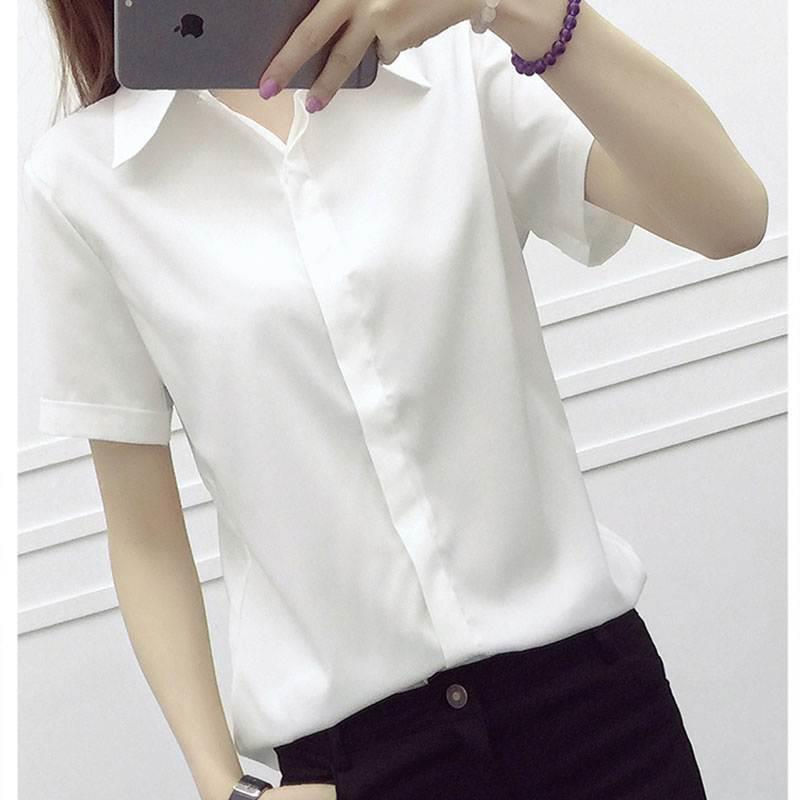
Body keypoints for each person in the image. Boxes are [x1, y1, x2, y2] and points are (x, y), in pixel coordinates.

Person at [23, 0, 767, 798]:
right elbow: (143, 532)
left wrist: (507, 6)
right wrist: (224, 786)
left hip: (595, 719)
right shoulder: (86, 179)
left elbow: (730, 216)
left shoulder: (453, 62)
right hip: (359, 765)